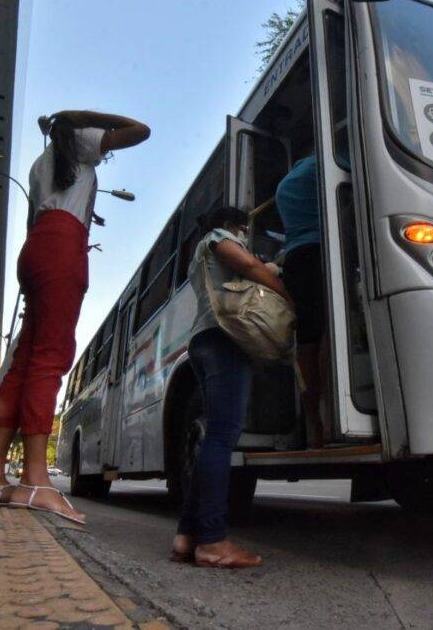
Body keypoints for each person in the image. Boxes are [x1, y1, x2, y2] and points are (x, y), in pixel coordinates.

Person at [0, 110, 150, 523]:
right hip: (63, 247)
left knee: (24, 362)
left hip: (35, 248)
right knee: (50, 359)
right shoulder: (81, 140)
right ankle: (35, 481)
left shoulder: (40, 164)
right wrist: (81, 115)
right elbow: (140, 130)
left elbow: (42, 213)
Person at [171, 206, 290, 568]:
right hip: (224, 341)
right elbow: (250, 267)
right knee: (222, 437)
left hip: (204, 342)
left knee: (213, 438)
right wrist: (286, 292)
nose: (243, 231)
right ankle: (212, 541)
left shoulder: (199, 256)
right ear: (229, 225)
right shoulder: (218, 239)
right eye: (242, 226)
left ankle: (186, 536)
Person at [275, 153, 327, 448]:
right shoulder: (323, 163)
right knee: (332, 333)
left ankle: (315, 426)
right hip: (320, 250)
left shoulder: (287, 183)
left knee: (307, 341)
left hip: (296, 258)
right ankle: (334, 414)